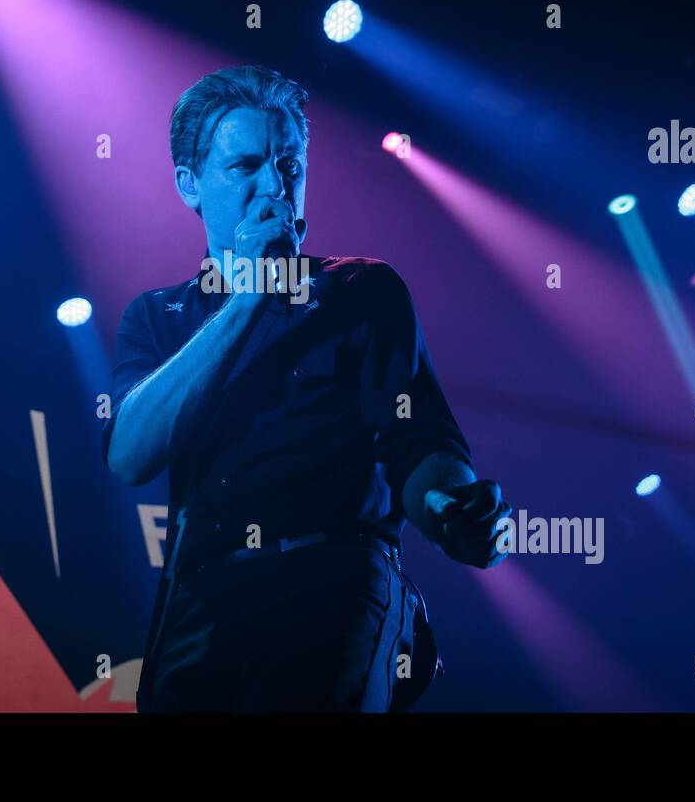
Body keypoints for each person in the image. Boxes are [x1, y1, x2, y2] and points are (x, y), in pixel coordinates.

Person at [101, 65, 510, 712]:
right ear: (190, 186)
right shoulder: (158, 317)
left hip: (335, 586)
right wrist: (246, 302)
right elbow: (129, 454)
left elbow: (418, 440)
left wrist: (449, 506)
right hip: (201, 603)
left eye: (291, 165)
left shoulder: (361, 291)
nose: (275, 186)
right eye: (245, 168)